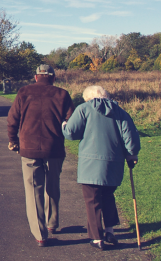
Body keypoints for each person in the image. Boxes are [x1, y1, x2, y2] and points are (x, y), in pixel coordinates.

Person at [62, 85, 140, 251]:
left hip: (90, 164)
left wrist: (64, 125)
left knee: (93, 200)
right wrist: (132, 154)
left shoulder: (84, 109)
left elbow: (70, 133)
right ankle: (110, 230)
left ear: (87, 98)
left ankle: (97, 238)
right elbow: (130, 137)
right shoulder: (120, 112)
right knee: (108, 195)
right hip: (114, 164)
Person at [7, 64, 74, 247]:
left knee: (33, 190)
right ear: (53, 77)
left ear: (36, 77)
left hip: (29, 148)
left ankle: (40, 234)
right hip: (54, 148)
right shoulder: (62, 94)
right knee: (53, 186)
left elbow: (12, 118)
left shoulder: (23, 92)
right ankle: (52, 223)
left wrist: (13, 140)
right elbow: (71, 121)